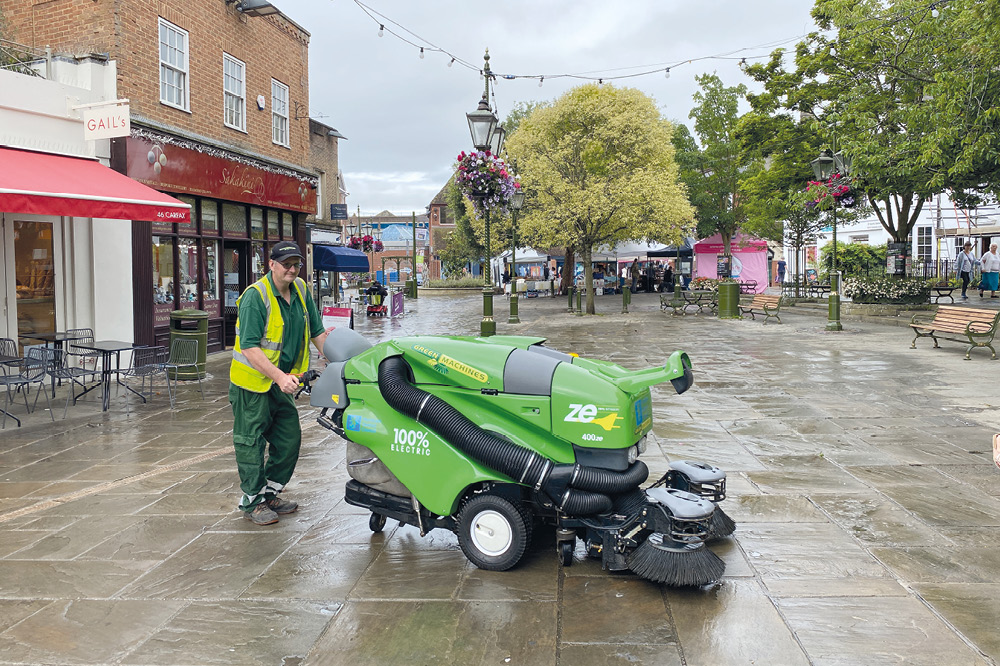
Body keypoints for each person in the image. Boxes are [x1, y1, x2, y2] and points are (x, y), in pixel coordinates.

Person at [230, 241, 331, 525]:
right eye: (286, 264)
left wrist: (340, 360)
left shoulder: (300, 290)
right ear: (271, 265)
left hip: (283, 382)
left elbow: (318, 333)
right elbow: (250, 348)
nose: (292, 269)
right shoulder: (255, 296)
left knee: (288, 439)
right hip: (252, 385)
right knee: (250, 442)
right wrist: (279, 376)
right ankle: (252, 501)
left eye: (296, 264)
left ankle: (271, 493)